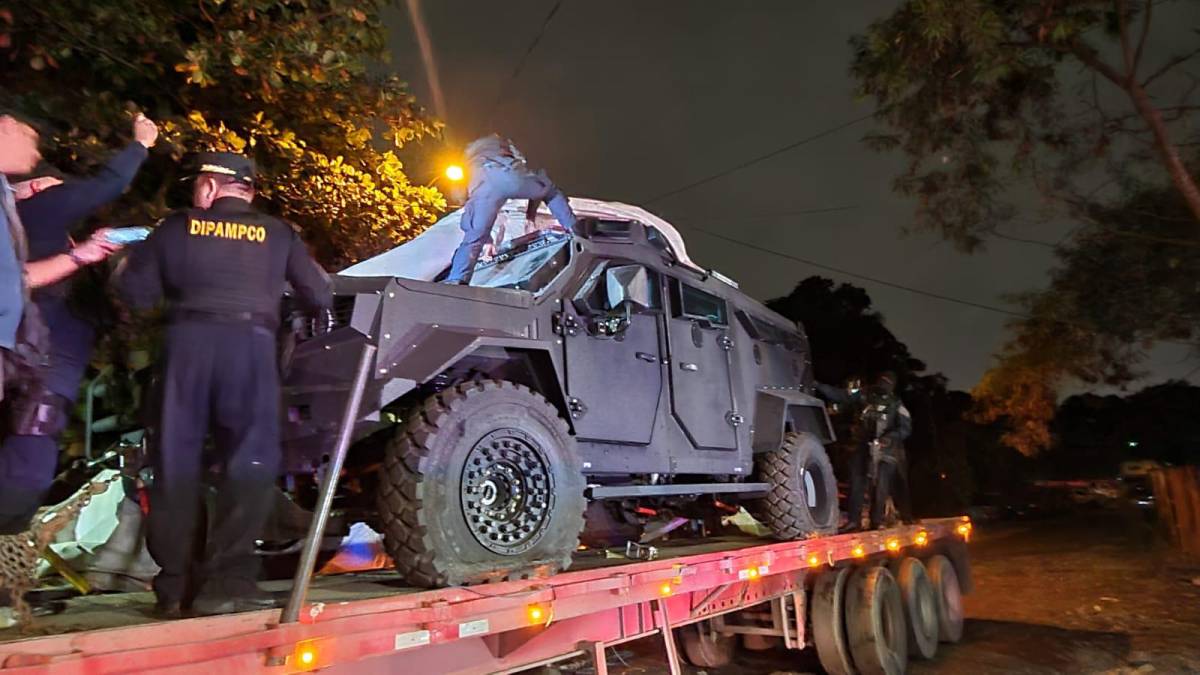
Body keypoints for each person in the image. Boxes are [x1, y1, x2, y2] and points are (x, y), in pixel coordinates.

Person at [117, 152, 331, 617]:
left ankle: (174, 587)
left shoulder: (174, 228)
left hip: (185, 349)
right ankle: (226, 583)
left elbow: (135, 294)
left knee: (175, 464)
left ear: (210, 189)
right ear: (248, 191)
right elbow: (319, 293)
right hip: (249, 351)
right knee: (249, 462)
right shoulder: (278, 233)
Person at [0, 113, 157, 535]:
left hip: (30, 357)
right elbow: (107, 184)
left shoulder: (21, 228)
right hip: (42, 361)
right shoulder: (39, 204)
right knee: (28, 455)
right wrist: (141, 144)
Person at [445, 135, 577, 284]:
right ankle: (574, 228)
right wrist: (531, 215)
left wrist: (486, 240)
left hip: (484, 187)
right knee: (549, 189)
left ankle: (457, 278)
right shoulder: (503, 142)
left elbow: (466, 206)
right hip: (510, 176)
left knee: (473, 236)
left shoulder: (465, 159)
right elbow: (530, 173)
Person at [816, 371, 913, 531]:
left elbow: (905, 428)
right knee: (856, 481)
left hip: (887, 451)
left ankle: (877, 521)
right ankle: (854, 520)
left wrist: (889, 437)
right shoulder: (864, 394)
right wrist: (819, 386)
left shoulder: (897, 404)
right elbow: (842, 395)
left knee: (881, 486)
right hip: (864, 446)